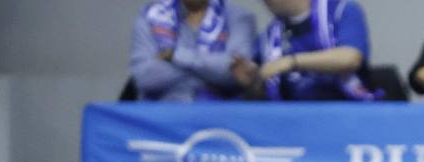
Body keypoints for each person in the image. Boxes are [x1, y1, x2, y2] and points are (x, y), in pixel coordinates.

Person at [247, 0, 378, 100]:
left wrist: (291, 62)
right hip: (294, 121)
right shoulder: (270, 35)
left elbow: (351, 58)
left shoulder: (341, 10)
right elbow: (266, 87)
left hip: (347, 113)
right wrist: (252, 81)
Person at [129, 0, 258, 101]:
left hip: (220, 117)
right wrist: (213, 69)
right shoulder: (151, 16)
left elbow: (237, 72)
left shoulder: (238, 17)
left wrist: (175, 56)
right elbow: (145, 77)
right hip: (161, 116)